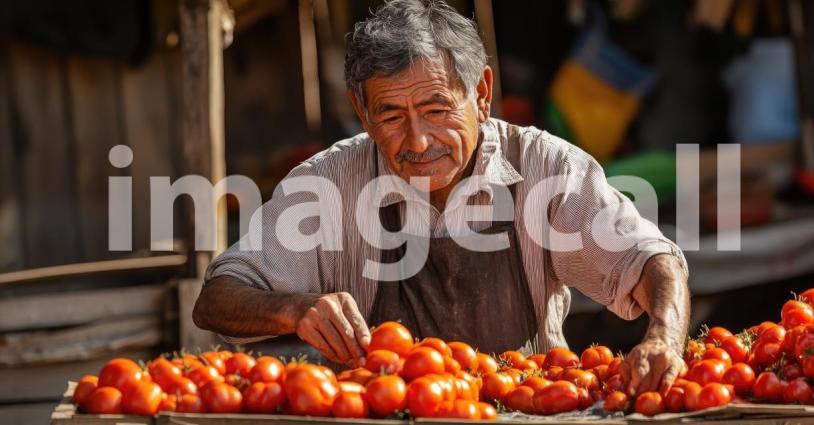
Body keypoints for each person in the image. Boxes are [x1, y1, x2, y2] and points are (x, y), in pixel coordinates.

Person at [193, 0, 690, 396]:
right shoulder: (327, 185)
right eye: (390, 117)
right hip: (380, 413)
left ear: (482, 94)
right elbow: (216, 299)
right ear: (361, 113)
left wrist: (664, 336)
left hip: (526, 407)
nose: (418, 142)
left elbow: (649, 260)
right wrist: (294, 309)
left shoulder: (545, 169)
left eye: (437, 110)